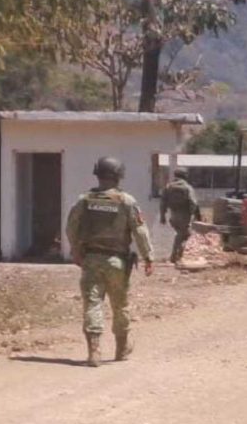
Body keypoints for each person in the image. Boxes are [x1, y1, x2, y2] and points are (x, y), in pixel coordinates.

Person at [65, 157, 154, 367]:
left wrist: (76, 251)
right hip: (117, 262)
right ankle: (121, 348)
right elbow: (140, 231)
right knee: (120, 305)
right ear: (119, 177)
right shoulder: (126, 201)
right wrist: (148, 256)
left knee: (92, 304)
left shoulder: (84, 200)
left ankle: (94, 352)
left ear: (97, 174)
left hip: (91, 259)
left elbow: (71, 228)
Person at [159, 166, 202, 265]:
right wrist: (195, 214)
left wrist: (162, 216)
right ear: (185, 176)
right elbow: (193, 203)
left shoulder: (168, 186)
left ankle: (175, 256)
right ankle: (176, 256)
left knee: (180, 234)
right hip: (184, 215)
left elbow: (163, 202)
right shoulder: (187, 187)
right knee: (185, 235)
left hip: (173, 215)